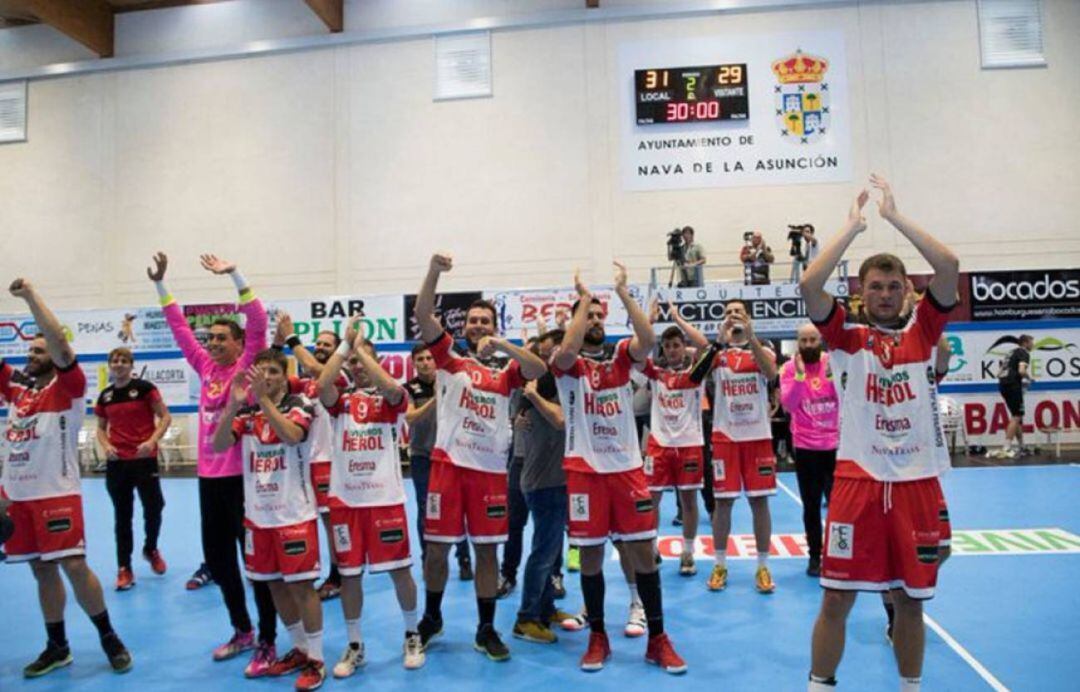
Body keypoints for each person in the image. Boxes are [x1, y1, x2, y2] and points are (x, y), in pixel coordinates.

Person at [801, 174, 959, 692]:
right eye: (875, 287)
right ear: (861, 293)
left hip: (917, 483)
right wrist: (853, 226)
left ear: (907, 293)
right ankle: (819, 684)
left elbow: (949, 265)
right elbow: (809, 286)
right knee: (835, 599)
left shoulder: (924, 331)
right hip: (858, 483)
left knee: (910, 602)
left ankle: (910, 687)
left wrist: (894, 217)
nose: (886, 294)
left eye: (894, 286)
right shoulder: (845, 335)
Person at [551, 263, 686, 674]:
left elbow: (648, 339)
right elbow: (570, 350)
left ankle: (657, 639)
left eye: (598, 315)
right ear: (577, 319)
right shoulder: (567, 364)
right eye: (587, 315)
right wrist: (583, 300)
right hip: (584, 473)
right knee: (589, 559)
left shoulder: (621, 360)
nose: (594, 320)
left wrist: (624, 293)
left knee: (644, 553)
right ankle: (598, 637)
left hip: (627, 470)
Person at [412, 252, 547, 661]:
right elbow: (422, 312)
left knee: (487, 552)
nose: (478, 326)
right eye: (473, 321)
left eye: (485, 321)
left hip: (489, 473)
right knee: (436, 550)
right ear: (463, 326)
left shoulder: (506, 370)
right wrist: (434, 271)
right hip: (448, 467)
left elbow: (538, 367)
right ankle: (432, 618)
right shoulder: (449, 357)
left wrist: (503, 344)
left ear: (494, 325)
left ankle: (485, 628)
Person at [147, 252, 278, 672]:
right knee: (220, 561)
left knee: (255, 563)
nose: (214, 343)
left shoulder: (246, 364)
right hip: (208, 480)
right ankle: (243, 631)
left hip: (243, 481)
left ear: (240, 344)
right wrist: (161, 285)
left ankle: (270, 641)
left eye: (223, 337)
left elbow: (257, 319)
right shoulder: (204, 367)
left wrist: (234, 274)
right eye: (212, 338)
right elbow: (179, 328)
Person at [1, 278, 133, 677]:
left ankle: (109, 637)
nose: (34, 354)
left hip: (57, 494)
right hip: (16, 498)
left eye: (40, 349)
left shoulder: (70, 387)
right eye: (30, 350)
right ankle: (57, 645)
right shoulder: (17, 391)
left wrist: (29, 297)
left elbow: (58, 339)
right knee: (41, 569)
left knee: (74, 565)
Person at [316, 318, 425, 676]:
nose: (358, 367)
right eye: (353, 364)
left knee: (400, 572)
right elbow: (321, 386)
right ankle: (355, 644)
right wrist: (346, 348)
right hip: (346, 502)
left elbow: (394, 392)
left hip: (385, 500)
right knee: (350, 576)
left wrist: (363, 351)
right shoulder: (341, 402)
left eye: (364, 360)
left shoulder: (392, 397)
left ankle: (412, 634)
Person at [211, 351, 325, 691]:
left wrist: (262, 401)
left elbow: (291, 435)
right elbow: (218, 445)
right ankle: (300, 650)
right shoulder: (246, 412)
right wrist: (233, 405)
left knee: (301, 587)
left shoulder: (300, 402)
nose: (268, 378)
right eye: (262, 373)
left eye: (274, 372)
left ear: (285, 374)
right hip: (258, 518)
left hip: (294, 515)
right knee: (274, 585)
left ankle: (317, 661)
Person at [684, 299, 779, 594]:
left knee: (759, 502)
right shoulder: (718, 356)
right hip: (725, 437)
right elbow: (694, 377)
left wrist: (750, 337)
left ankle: (763, 566)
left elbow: (771, 374)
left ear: (748, 318)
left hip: (757, 437)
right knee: (723, 503)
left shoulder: (763, 351)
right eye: (728, 313)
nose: (732, 316)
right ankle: (720, 564)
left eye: (738, 312)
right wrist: (718, 341)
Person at [272, 313, 347, 601]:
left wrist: (292, 337)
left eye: (327, 344)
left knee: (331, 522)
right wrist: (278, 345)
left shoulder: (340, 375)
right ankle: (301, 572)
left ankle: (338, 574)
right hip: (301, 463)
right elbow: (272, 376)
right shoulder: (305, 382)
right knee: (300, 519)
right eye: (318, 343)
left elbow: (316, 368)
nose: (321, 347)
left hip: (329, 461)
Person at [512, 329, 580, 643]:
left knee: (552, 553)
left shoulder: (563, 384)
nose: (552, 356)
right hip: (542, 483)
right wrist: (533, 397)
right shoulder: (535, 385)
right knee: (542, 552)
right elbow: (560, 420)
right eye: (547, 351)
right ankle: (526, 618)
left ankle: (546, 608)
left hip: (559, 480)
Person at [94, 347, 171, 590]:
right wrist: (106, 446)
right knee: (122, 516)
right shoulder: (105, 396)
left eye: (123, 360)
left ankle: (150, 549)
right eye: (114, 360)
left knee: (154, 507)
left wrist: (152, 441)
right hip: (118, 464)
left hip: (144, 459)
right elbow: (99, 427)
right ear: (110, 365)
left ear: (131, 365)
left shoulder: (146, 389)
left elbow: (165, 417)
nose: (118, 364)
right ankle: (124, 568)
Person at [642, 302, 710, 577]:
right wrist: (649, 319)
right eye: (667, 346)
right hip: (658, 446)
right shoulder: (655, 374)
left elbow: (705, 346)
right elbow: (637, 350)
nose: (672, 350)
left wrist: (679, 320)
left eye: (676, 345)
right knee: (652, 501)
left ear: (684, 347)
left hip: (690, 445)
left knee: (689, 501)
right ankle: (652, 548)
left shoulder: (695, 373)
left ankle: (688, 551)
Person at [405, 342, 473, 579]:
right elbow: (411, 418)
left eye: (429, 358)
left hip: (452, 455)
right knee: (426, 508)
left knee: (458, 506)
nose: (425, 363)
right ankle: (427, 559)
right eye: (420, 359)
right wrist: (435, 398)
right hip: (423, 456)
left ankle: (464, 558)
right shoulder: (410, 389)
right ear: (414, 364)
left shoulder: (454, 383)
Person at [778, 324, 839, 577]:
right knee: (811, 505)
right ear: (798, 342)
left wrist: (833, 376)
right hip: (805, 446)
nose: (809, 344)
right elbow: (789, 405)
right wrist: (801, 377)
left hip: (835, 445)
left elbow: (845, 399)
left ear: (820, 340)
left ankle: (838, 554)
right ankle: (815, 556)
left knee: (839, 506)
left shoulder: (832, 363)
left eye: (813, 339)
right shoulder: (790, 368)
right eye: (803, 340)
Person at [996, 334, 1034, 459]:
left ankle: (1021, 445)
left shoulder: (1010, 352)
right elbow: (1021, 371)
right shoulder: (1024, 353)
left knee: (1015, 416)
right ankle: (1006, 447)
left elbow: (998, 373)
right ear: (1025, 343)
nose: (1033, 345)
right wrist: (1030, 378)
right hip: (1013, 385)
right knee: (1017, 415)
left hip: (1003, 385)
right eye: (1031, 342)